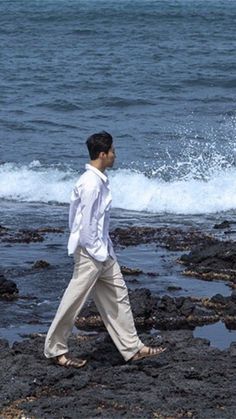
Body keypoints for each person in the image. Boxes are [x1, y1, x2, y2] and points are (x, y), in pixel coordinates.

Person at [44, 131, 166, 367]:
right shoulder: (90, 184)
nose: (115, 156)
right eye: (112, 152)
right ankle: (55, 350)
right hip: (92, 253)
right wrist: (96, 252)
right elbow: (85, 224)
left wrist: (105, 251)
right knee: (73, 301)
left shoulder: (97, 180)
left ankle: (133, 348)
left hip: (102, 251)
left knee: (118, 296)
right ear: (102, 154)